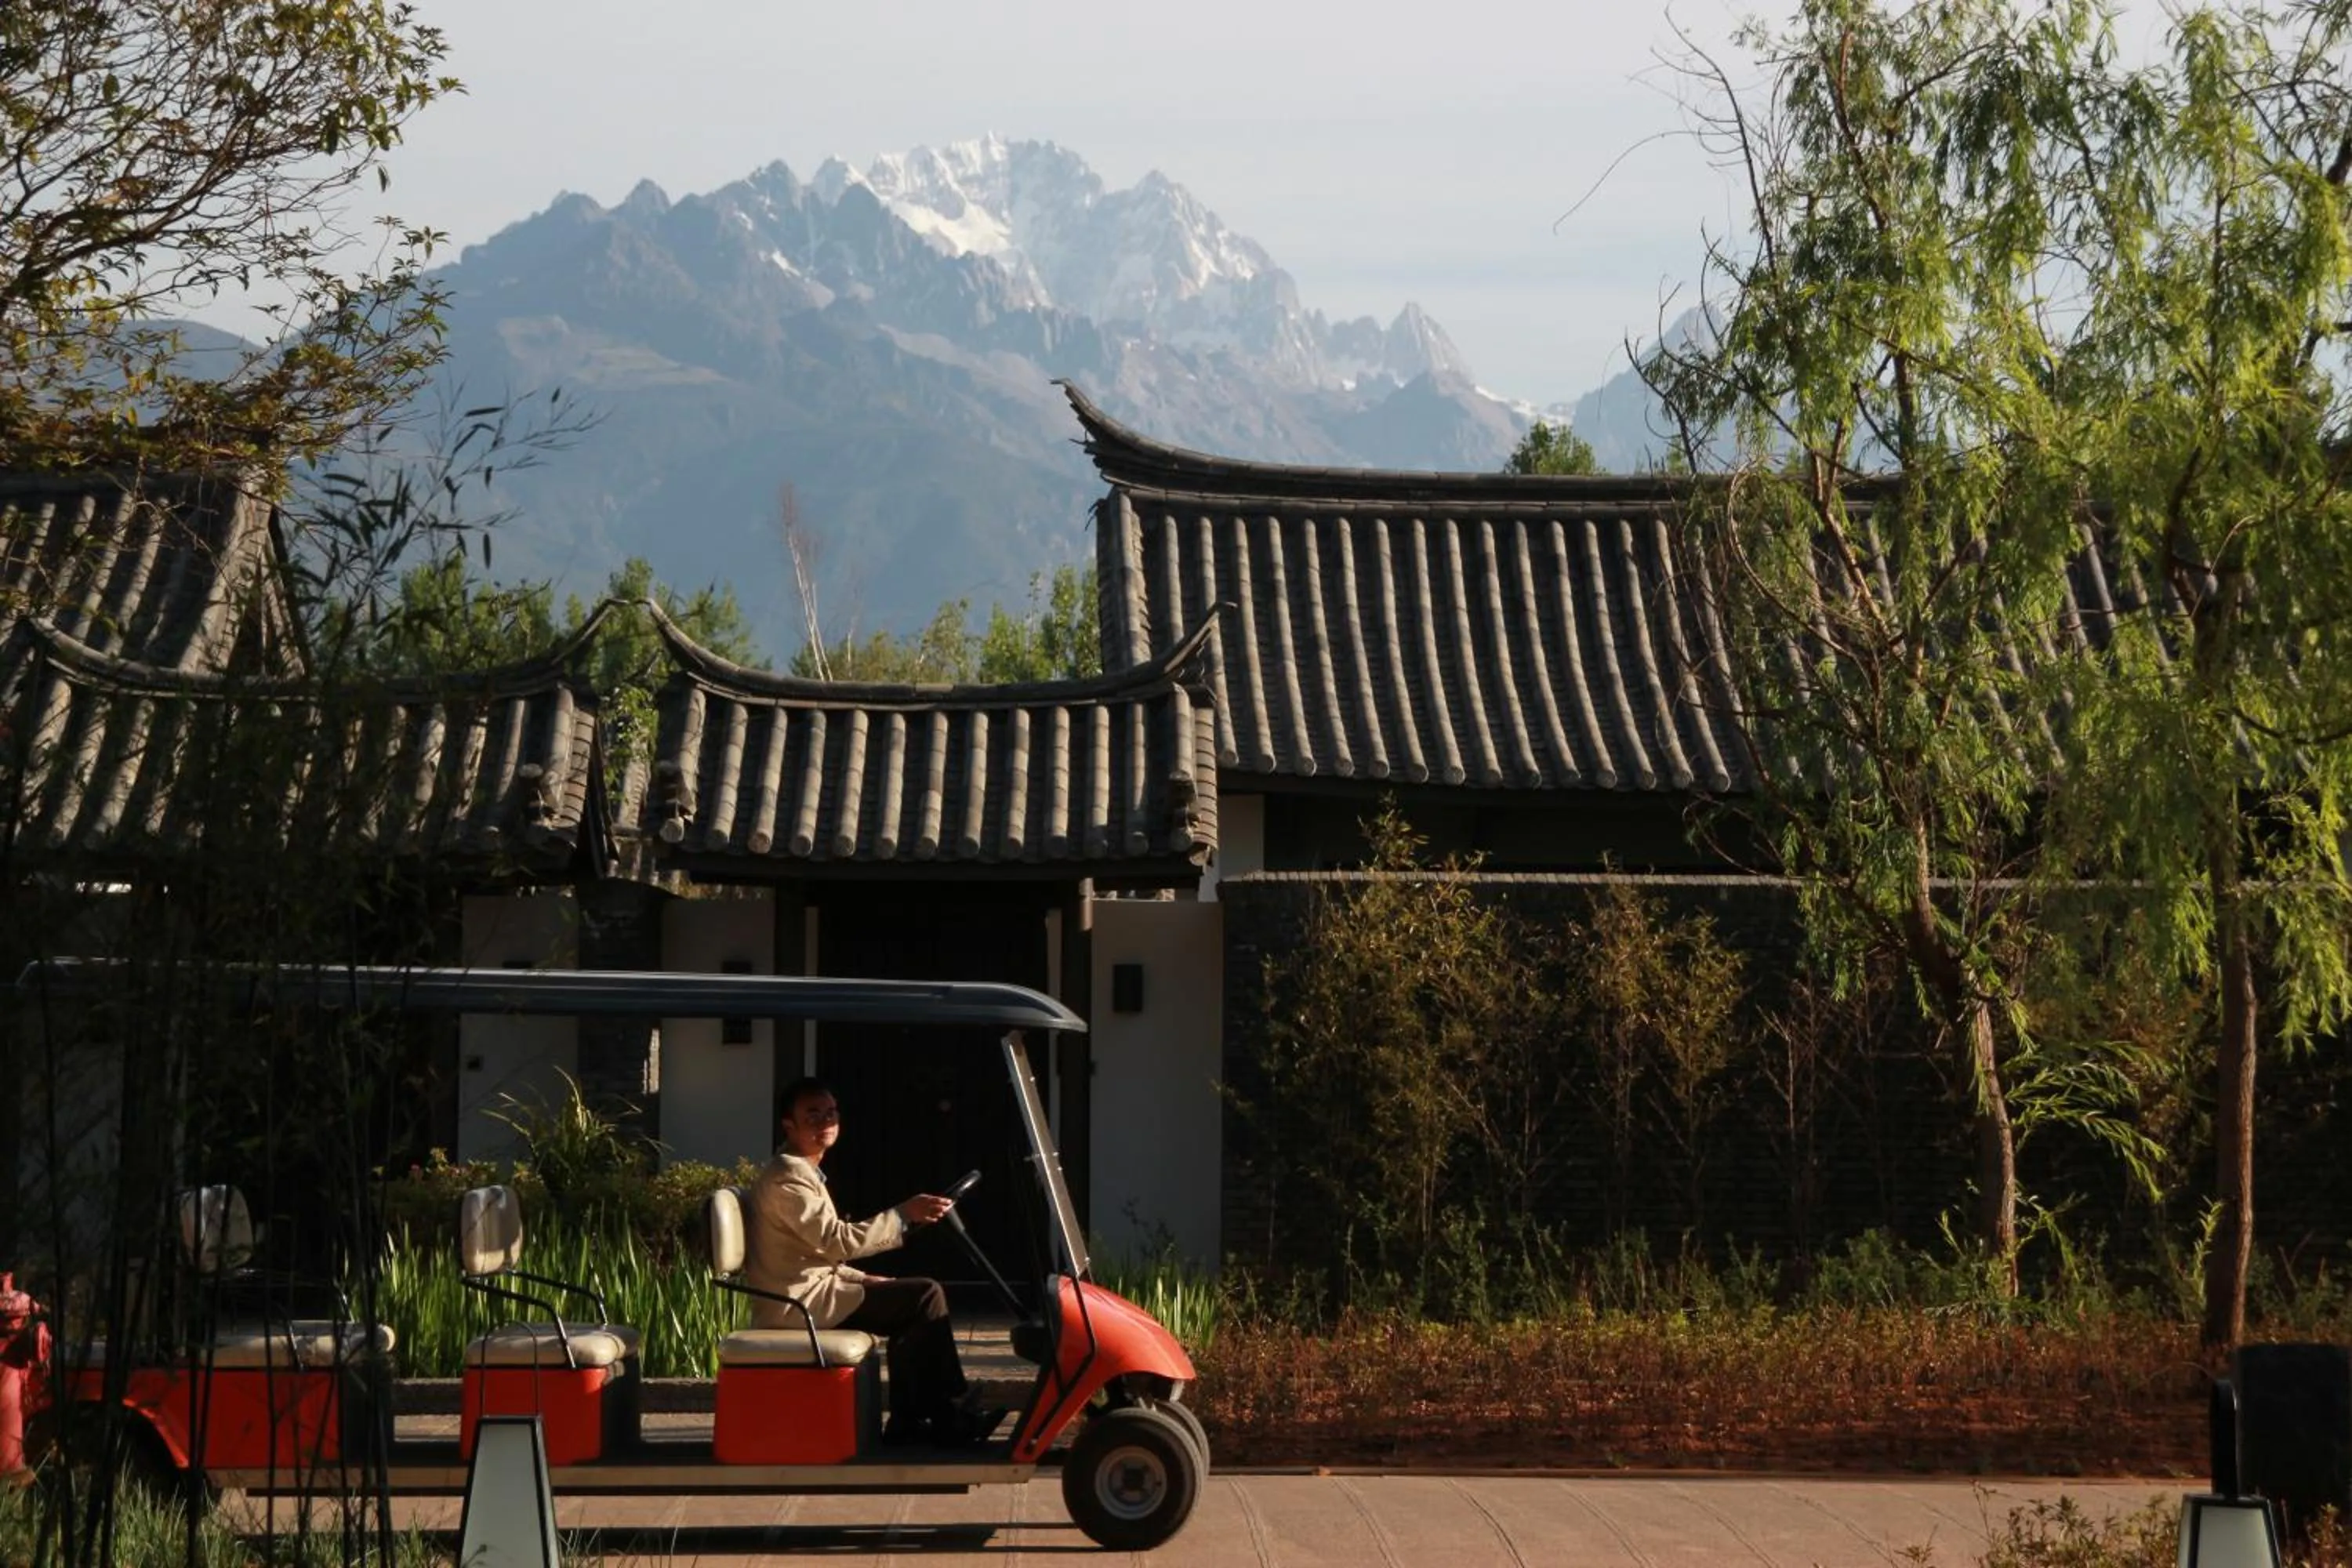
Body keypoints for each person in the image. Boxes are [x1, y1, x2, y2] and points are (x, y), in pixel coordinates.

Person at [742, 1076, 997, 1446]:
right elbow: (834, 1242)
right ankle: (950, 1415)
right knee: (924, 1296)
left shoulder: (802, 1171)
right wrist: (903, 1214)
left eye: (831, 1114)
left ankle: (914, 1421)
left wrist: (862, 1279)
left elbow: (810, 1253)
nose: (825, 1123)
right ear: (789, 1125)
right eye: (812, 1115)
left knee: (910, 1300)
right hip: (797, 1304)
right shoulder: (788, 1178)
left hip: (811, 1291)